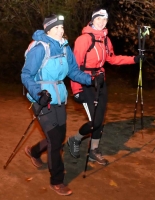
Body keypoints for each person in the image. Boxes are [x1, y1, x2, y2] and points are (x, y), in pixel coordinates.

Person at [21, 14, 102, 196]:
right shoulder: (40, 48)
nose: (61, 30)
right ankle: (57, 180)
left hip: (59, 97)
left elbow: (73, 71)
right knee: (56, 141)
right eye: (57, 28)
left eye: (62, 27)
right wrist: (38, 93)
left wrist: (91, 80)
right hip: (42, 99)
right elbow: (26, 75)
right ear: (48, 29)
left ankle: (34, 152)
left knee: (58, 137)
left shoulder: (65, 48)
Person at [67, 8, 145, 165]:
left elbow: (113, 59)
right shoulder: (83, 40)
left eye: (105, 20)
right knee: (95, 121)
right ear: (93, 19)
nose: (102, 22)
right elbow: (73, 67)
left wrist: (134, 59)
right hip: (85, 82)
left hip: (101, 82)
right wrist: (76, 90)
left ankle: (94, 150)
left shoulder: (105, 39)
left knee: (100, 120)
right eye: (99, 19)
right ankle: (74, 140)